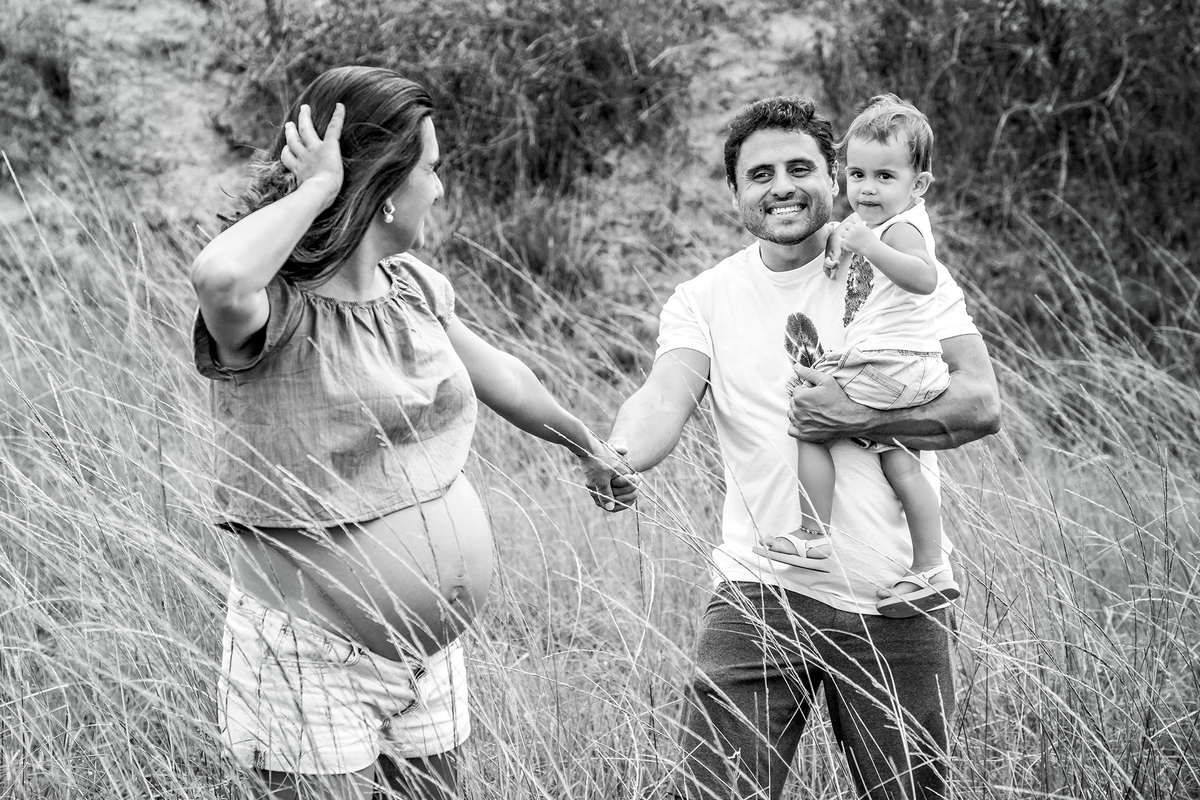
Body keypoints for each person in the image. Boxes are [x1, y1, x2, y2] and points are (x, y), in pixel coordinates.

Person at [190, 65, 635, 800]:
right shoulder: (273, 312)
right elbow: (218, 279)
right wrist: (316, 192)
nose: (441, 186)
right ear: (385, 185)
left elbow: (508, 380)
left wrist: (587, 447)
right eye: (431, 168)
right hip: (313, 660)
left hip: (429, 660)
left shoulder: (417, 290)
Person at [605, 96, 999, 799]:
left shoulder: (903, 266)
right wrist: (620, 454)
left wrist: (851, 415)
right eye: (759, 174)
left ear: (835, 175)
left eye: (799, 167)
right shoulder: (704, 297)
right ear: (735, 192)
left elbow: (980, 403)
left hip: (896, 600)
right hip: (759, 591)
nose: (780, 185)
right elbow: (664, 394)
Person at [754, 94, 959, 618]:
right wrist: (842, 247)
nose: (866, 189)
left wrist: (866, 244)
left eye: (885, 178)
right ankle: (931, 566)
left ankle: (814, 534)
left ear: (918, 186)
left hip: (892, 362)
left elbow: (924, 278)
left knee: (809, 411)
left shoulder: (906, 227)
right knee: (901, 465)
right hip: (906, 367)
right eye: (858, 175)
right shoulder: (876, 224)